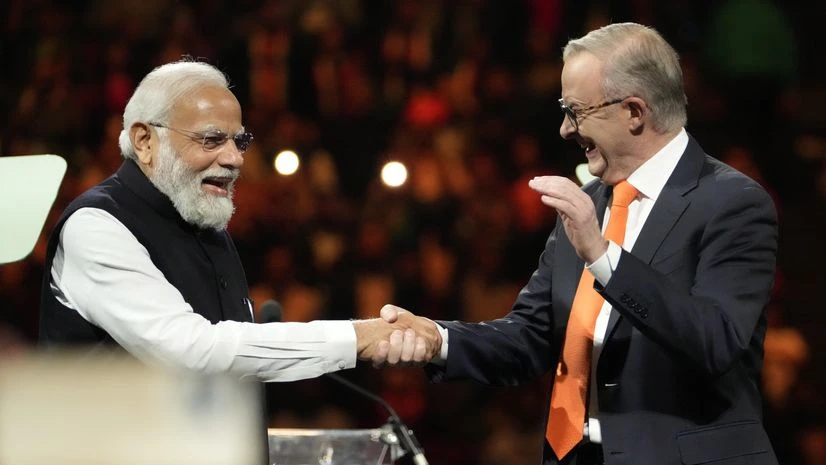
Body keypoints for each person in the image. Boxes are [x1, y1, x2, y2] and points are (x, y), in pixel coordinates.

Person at [379, 22, 780, 465]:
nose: (565, 130)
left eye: (576, 111)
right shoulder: (588, 204)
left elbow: (716, 341)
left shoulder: (733, 203)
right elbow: (529, 336)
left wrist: (604, 256)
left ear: (634, 112)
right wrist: (438, 339)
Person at [39, 59, 438, 381]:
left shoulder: (202, 221)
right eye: (211, 139)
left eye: (239, 141)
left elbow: (235, 364)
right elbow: (193, 352)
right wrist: (357, 338)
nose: (235, 159)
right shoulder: (95, 226)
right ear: (145, 141)